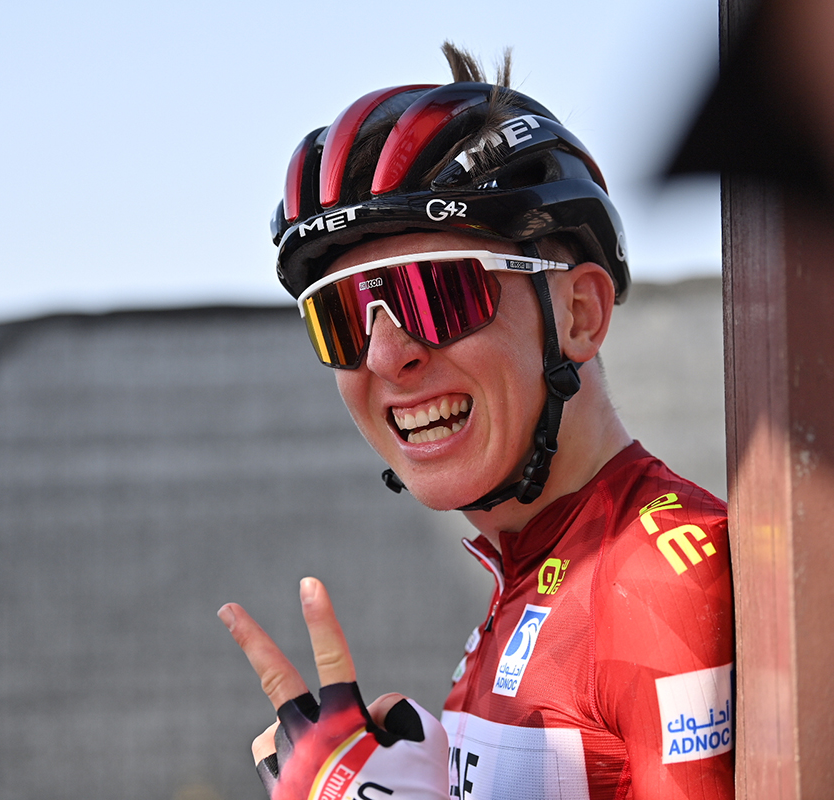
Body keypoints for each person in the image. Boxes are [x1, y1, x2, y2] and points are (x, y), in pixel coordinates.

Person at [216, 44, 733, 800]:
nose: (387, 355)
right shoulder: (524, 572)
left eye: (439, 293)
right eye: (342, 315)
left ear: (579, 315)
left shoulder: (661, 581)